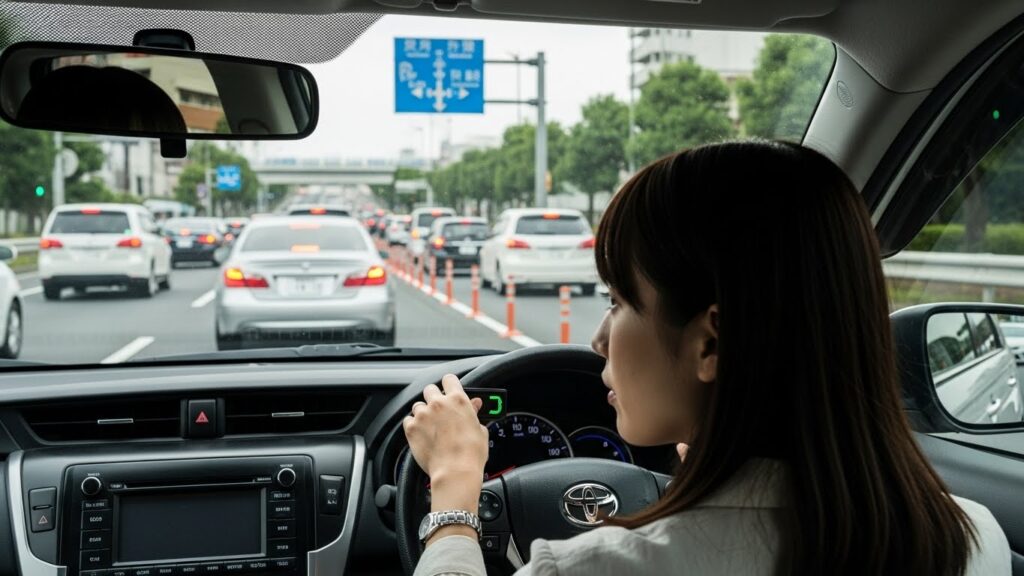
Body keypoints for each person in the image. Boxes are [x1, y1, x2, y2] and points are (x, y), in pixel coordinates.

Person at [403, 141, 1011, 575]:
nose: (598, 340)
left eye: (618, 302)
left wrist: (454, 499)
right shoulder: (973, 536)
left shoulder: (592, 567)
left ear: (711, 343)